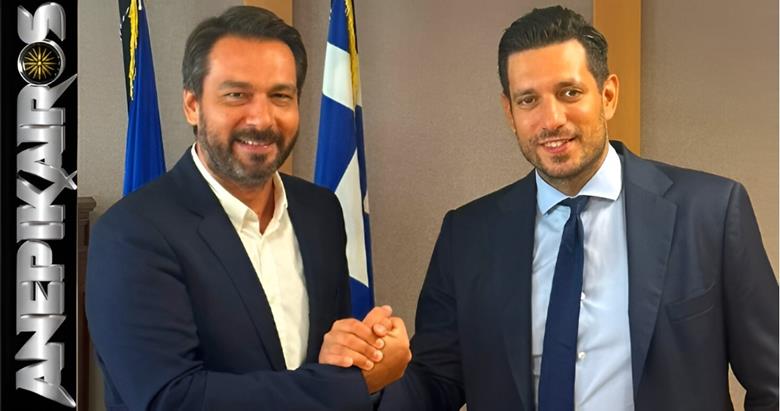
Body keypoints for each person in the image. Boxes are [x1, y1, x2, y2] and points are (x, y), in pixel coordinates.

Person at [378, 5, 778, 411]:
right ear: (510, 113)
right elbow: (436, 383)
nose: (551, 119)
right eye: (528, 100)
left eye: (569, 93)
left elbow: (774, 383)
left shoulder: (711, 213)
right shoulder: (466, 236)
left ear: (608, 95)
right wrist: (374, 376)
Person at [86, 6, 410, 410]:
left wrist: (357, 353)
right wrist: (356, 384)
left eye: (280, 96)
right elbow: (172, 400)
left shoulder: (321, 212)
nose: (261, 118)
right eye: (236, 95)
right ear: (192, 104)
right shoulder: (131, 233)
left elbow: (320, 368)